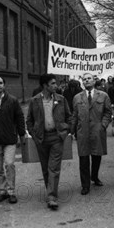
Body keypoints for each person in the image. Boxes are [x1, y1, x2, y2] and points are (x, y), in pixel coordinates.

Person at [26, 73, 73, 210]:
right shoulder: (35, 101)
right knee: (45, 168)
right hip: (41, 138)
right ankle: (50, 191)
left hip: (57, 137)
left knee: (53, 167)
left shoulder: (61, 99)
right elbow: (29, 120)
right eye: (52, 83)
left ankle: (52, 197)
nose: (55, 86)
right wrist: (34, 136)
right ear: (45, 85)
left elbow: (69, 117)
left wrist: (65, 132)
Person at [71, 73, 113, 195]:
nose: (86, 80)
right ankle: (85, 185)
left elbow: (108, 112)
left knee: (96, 155)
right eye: (84, 79)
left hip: (97, 130)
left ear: (94, 81)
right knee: (83, 158)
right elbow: (74, 115)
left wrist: (103, 125)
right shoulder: (77, 98)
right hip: (82, 131)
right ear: (82, 83)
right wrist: (72, 130)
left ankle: (94, 176)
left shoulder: (103, 95)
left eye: (89, 78)